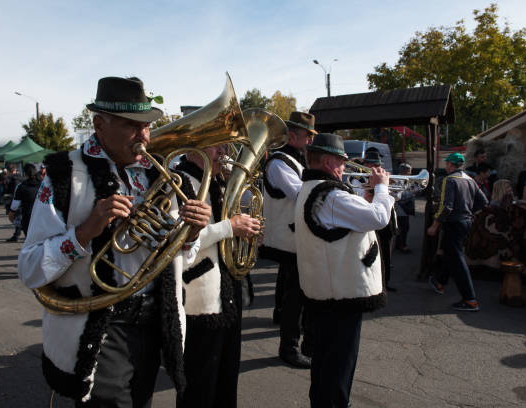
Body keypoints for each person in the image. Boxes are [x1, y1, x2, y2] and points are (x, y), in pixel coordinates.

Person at [17, 76, 211, 407]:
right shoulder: (64, 174)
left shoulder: (158, 173)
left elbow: (180, 257)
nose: (145, 136)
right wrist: (85, 231)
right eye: (131, 125)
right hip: (102, 329)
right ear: (99, 124)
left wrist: (191, 234)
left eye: (148, 125)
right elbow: (30, 268)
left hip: (154, 324)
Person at [294, 133, 392, 407]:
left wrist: (370, 195)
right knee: (338, 370)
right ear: (327, 162)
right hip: (342, 296)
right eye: (341, 162)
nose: (345, 169)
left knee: (326, 367)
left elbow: (353, 214)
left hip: (327, 293)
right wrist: (382, 188)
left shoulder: (312, 189)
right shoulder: (331, 195)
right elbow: (379, 218)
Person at [174, 145, 261, 408]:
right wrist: (229, 227)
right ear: (194, 149)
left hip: (227, 293)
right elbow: (178, 239)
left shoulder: (217, 182)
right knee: (199, 386)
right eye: (216, 144)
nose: (223, 151)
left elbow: (224, 234)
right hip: (198, 297)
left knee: (225, 380)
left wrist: (245, 230)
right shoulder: (180, 182)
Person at [259, 111, 316, 368]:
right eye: (307, 136)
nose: (310, 142)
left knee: (288, 284)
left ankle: (279, 316)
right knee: (297, 294)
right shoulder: (281, 163)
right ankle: (289, 347)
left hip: (290, 235)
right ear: (293, 136)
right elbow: (300, 195)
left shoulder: (292, 160)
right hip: (286, 236)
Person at [428, 152, 488, 312]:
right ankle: (440, 282)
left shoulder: (450, 180)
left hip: (454, 223)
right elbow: (483, 201)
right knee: (451, 253)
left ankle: (470, 299)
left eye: (447, 164)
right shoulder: (470, 180)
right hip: (466, 222)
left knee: (457, 259)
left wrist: (434, 226)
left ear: (449, 165)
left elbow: (446, 206)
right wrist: (468, 211)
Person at [363, 148, 398, 292]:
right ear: (366, 165)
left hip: (387, 221)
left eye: (377, 165)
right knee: (371, 253)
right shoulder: (357, 178)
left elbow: (396, 197)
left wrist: (385, 188)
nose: (376, 168)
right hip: (370, 220)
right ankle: (374, 282)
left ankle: (386, 281)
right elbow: (362, 198)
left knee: (386, 253)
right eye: (372, 165)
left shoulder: (384, 176)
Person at [6, 163, 41, 242]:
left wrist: (11, 216)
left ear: (25, 173)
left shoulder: (22, 186)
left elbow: (14, 206)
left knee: (30, 243)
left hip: (28, 217)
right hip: (42, 217)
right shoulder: (43, 185)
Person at [395, 163, 416, 253]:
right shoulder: (399, 180)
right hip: (401, 210)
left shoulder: (406, 180)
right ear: (405, 171)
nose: (410, 173)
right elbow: (400, 196)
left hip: (403, 209)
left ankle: (398, 244)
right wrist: (413, 192)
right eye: (409, 171)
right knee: (403, 228)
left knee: (402, 228)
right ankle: (402, 246)